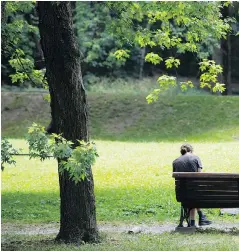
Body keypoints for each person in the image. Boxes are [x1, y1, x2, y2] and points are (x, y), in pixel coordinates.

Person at [173, 143, 212, 227]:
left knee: (190, 193)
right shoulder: (196, 158)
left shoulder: (175, 161)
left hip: (181, 194)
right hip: (194, 193)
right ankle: (200, 217)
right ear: (191, 151)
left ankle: (194, 222)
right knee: (193, 193)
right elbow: (200, 175)